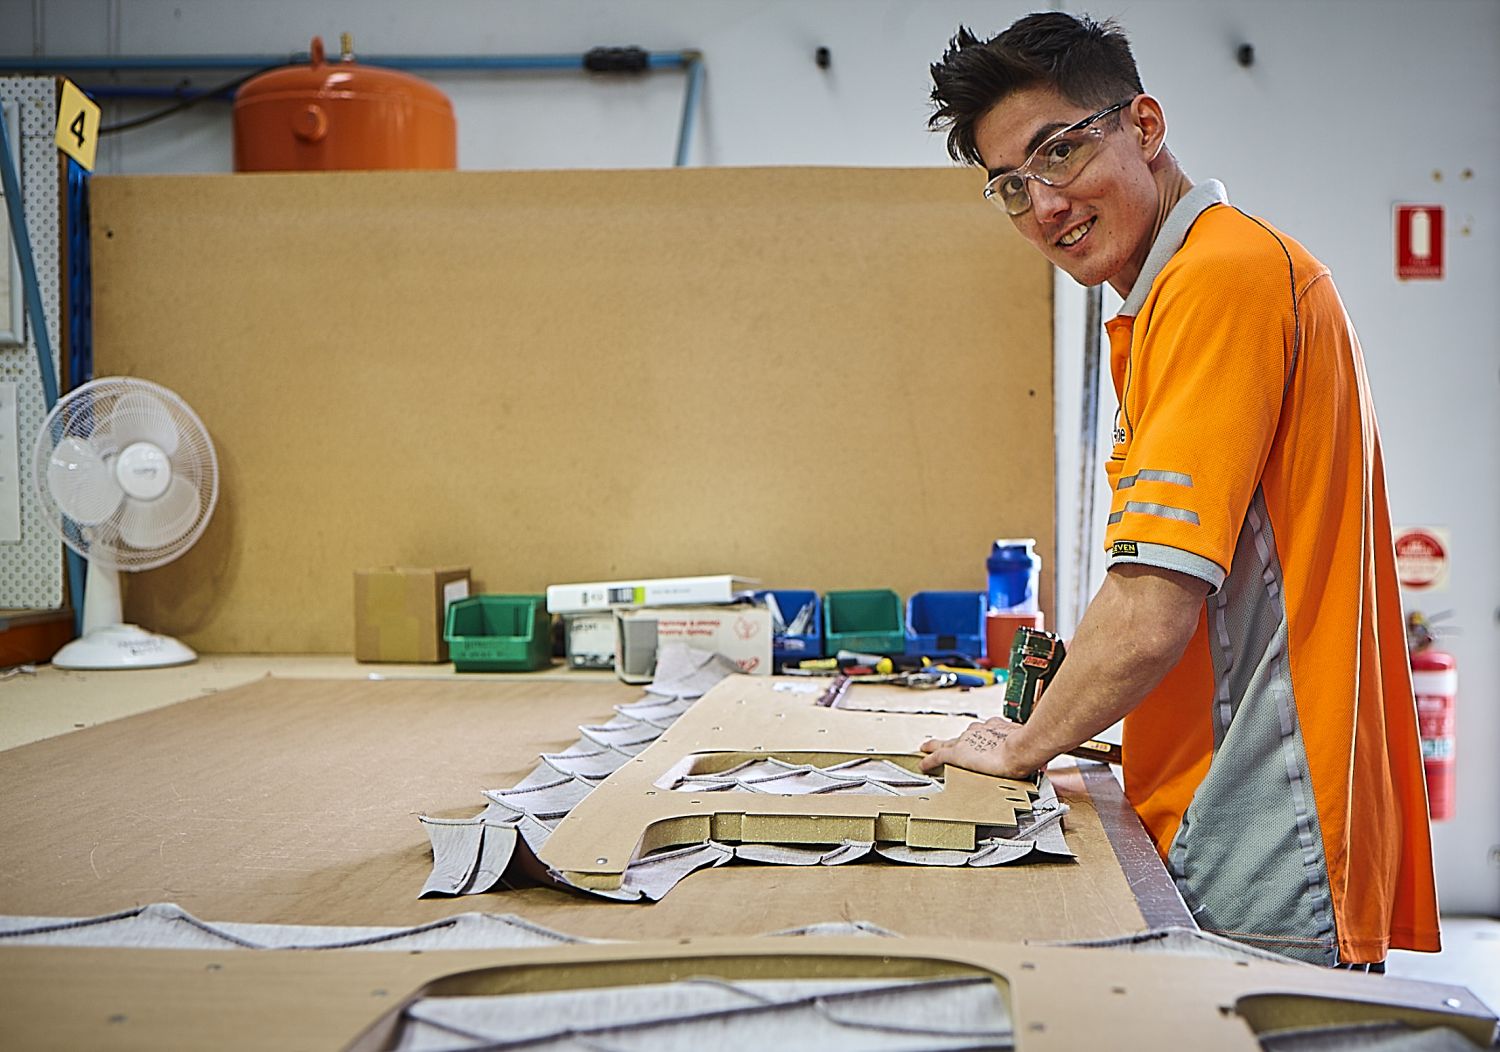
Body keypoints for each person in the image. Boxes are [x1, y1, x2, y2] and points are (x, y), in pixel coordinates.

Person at [918, 12, 1439, 968]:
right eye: (1011, 186)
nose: (1044, 207)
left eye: (1061, 153)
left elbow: (1154, 602)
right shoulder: (1182, 294)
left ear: (1145, 126)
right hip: (1244, 803)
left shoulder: (1221, 281)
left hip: (1263, 821)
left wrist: (1021, 747)